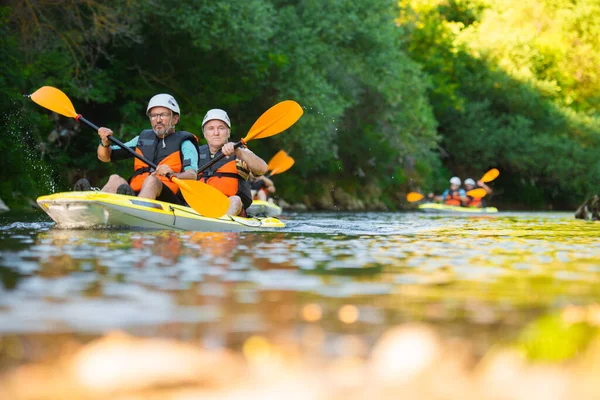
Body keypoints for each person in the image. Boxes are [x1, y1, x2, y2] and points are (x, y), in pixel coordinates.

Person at [79, 94, 200, 205]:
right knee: (114, 179)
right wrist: (105, 142)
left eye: (163, 115)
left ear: (175, 119)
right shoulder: (141, 139)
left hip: (168, 200)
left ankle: (135, 209)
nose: (158, 120)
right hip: (136, 194)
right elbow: (105, 157)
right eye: (154, 115)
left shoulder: (185, 143)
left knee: (152, 180)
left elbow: (192, 174)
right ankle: (92, 206)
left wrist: (173, 174)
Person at [197, 109, 268, 216]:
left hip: (230, 207)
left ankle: (222, 224)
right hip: (198, 205)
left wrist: (238, 151)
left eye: (221, 128)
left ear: (228, 132)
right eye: (211, 128)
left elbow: (262, 169)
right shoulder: (195, 152)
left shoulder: (241, 151)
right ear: (205, 133)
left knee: (235, 200)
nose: (216, 133)